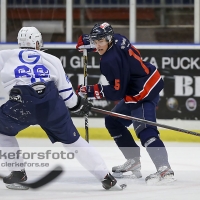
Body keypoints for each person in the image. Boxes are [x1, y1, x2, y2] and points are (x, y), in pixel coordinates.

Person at [0, 26, 126, 190]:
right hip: (50, 105)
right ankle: (107, 178)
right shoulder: (51, 59)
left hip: (20, 105)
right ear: (37, 43)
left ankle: (18, 173)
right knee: (74, 142)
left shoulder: (4, 55)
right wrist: (78, 105)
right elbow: (67, 94)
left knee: (2, 132)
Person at [76, 22, 175, 185]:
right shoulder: (118, 38)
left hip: (143, 92)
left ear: (108, 39)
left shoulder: (109, 61)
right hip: (143, 82)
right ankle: (133, 160)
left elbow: (118, 92)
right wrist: (90, 43)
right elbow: (107, 46)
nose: (97, 44)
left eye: (100, 41)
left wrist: (92, 90)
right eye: (95, 41)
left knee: (145, 130)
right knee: (113, 121)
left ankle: (164, 169)